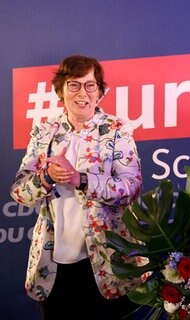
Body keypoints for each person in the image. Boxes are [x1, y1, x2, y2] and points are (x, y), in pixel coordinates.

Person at [10, 55, 144, 320]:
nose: (82, 93)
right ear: (61, 90)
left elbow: (131, 188)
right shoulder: (44, 133)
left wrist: (79, 179)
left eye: (90, 85)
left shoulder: (116, 131)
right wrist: (46, 176)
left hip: (109, 264)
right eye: (74, 85)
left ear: (100, 92)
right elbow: (19, 193)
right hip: (54, 267)